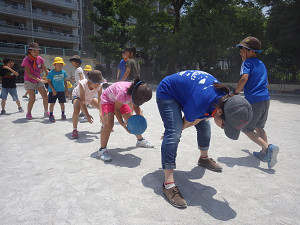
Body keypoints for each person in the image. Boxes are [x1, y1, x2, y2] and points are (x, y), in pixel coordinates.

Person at [156, 70, 253, 208]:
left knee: (204, 126)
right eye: (225, 125)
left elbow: (196, 118)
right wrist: (172, 131)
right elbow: (190, 119)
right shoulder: (202, 102)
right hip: (168, 92)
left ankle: (204, 158)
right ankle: (168, 184)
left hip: (191, 94)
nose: (223, 128)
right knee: (173, 134)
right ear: (220, 111)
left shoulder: (223, 100)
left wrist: (179, 128)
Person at [235, 36, 279, 169]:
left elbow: (244, 78)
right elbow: (267, 82)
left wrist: (235, 92)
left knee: (246, 128)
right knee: (259, 126)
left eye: (242, 50)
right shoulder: (261, 64)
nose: (241, 53)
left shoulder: (247, 63)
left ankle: (268, 147)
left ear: (250, 51)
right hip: (265, 99)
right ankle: (265, 153)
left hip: (254, 100)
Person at [98, 78, 154, 162]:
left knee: (132, 120)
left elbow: (136, 107)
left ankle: (140, 141)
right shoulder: (123, 93)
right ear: (135, 95)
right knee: (109, 124)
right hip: (108, 99)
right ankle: (102, 150)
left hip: (119, 100)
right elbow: (117, 109)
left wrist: (141, 119)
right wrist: (122, 124)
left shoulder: (137, 91)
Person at [72, 70, 104, 139]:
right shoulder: (82, 84)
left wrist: (101, 112)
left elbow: (100, 100)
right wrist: (87, 115)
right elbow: (83, 101)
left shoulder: (99, 86)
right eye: (96, 83)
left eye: (99, 83)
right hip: (79, 96)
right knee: (76, 109)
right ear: (89, 81)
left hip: (89, 97)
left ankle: (103, 125)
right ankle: (74, 129)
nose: (98, 85)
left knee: (103, 109)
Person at [21, 42, 49, 120]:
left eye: (38, 51)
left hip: (38, 79)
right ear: (30, 51)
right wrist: (39, 80)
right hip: (29, 81)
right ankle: (28, 113)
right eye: (34, 51)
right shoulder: (26, 59)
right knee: (32, 98)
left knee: (45, 96)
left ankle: (46, 111)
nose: (36, 53)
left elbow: (45, 69)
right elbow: (28, 73)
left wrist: (49, 75)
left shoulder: (40, 59)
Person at [47, 57, 68, 122]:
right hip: (53, 91)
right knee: (52, 103)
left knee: (62, 103)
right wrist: (53, 89)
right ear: (54, 65)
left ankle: (63, 114)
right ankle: (51, 115)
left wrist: (66, 90)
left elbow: (65, 81)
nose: (60, 66)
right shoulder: (51, 72)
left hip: (61, 90)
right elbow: (49, 81)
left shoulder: (63, 72)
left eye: (61, 64)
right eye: (58, 64)